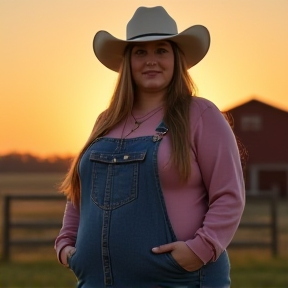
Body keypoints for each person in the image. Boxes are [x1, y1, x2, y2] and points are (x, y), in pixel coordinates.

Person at [55, 6, 245, 288]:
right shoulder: (105, 121)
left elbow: (230, 195)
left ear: (176, 59)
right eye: (140, 52)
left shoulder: (201, 115)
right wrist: (67, 245)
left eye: (161, 50)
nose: (151, 61)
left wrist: (199, 250)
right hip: (98, 281)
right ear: (127, 62)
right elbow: (80, 191)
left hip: (177, 280)